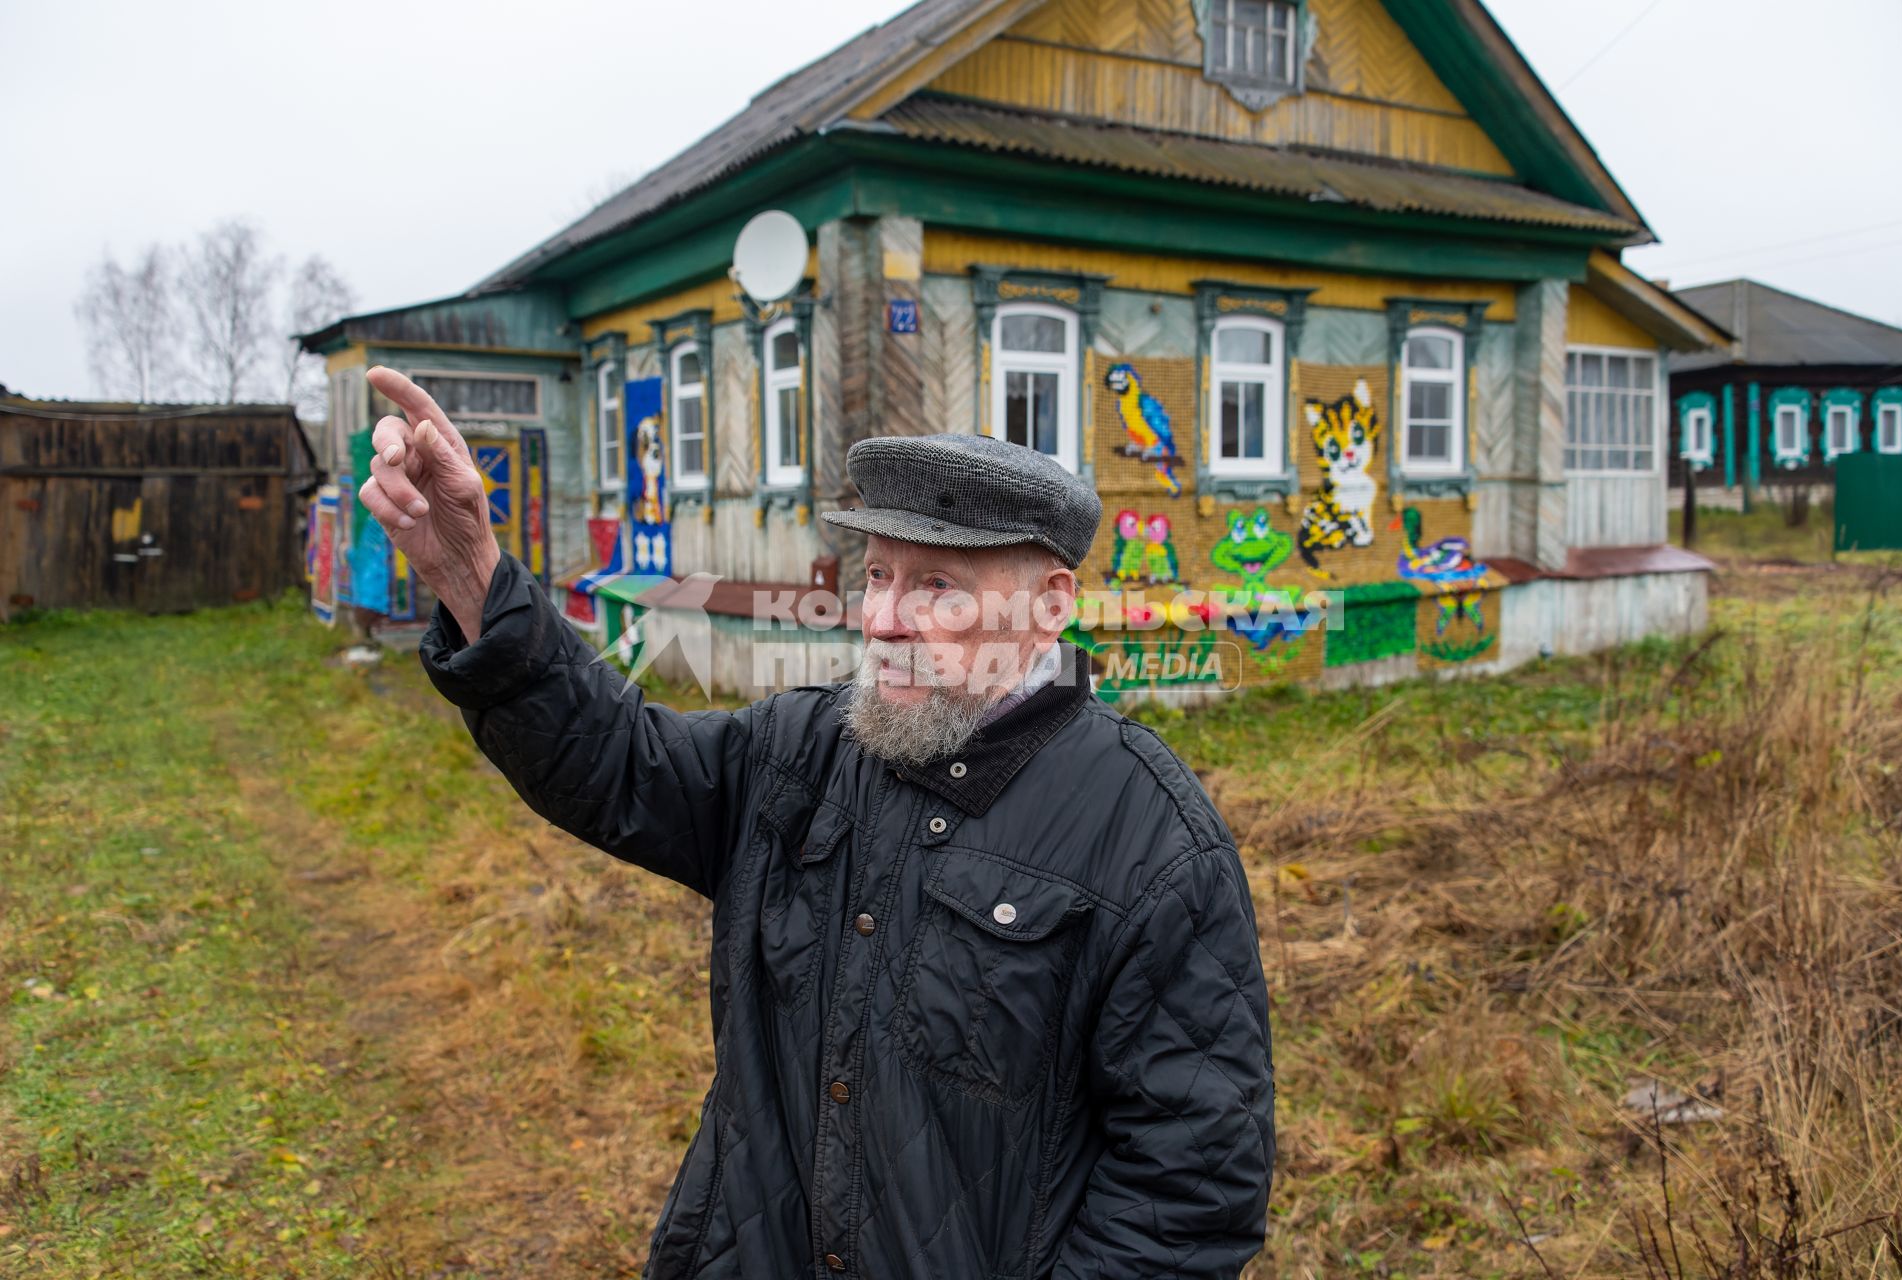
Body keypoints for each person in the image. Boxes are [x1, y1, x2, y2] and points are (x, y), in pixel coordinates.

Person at [357, 366, 1274, 1279]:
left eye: (937, 587)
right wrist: (474, 577)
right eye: (877, 574)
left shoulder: (1150, 841)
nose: (880, 619)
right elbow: (618, 763)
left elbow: (1185, 1195)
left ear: (1051, 605)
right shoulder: (805, 749)